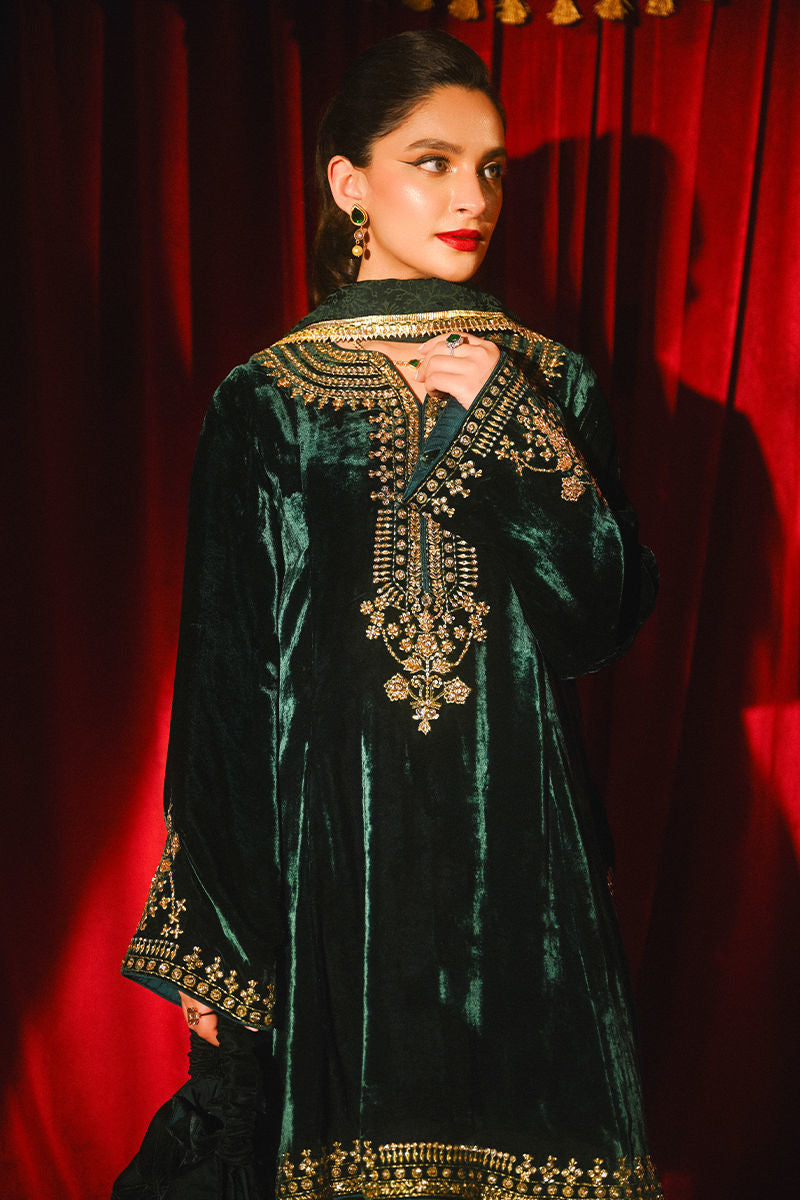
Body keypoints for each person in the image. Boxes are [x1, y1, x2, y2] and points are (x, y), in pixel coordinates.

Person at [114, 29, 662, 1200]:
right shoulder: (266, 400)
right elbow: (224, 681)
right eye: (431, 162)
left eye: (491, 168)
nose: (472, 200)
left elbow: (597, 627)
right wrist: (213, 936)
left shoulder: (551, 383)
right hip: (331, 870)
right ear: (347, 182)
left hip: (525, 869)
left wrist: (512, 428)